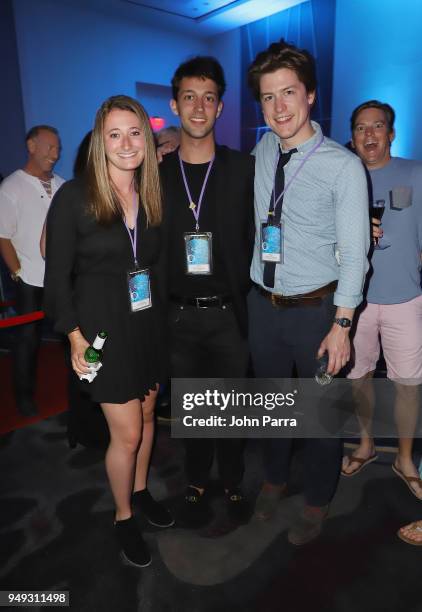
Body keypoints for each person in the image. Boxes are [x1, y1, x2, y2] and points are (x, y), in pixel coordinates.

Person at [247, 39, 370, 544]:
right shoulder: (262, 149)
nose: (279, 108)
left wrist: (342, 326)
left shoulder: (342, 166)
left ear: (311, 95)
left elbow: (356, 252)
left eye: (289, 93)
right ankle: (275, 480)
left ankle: (318, 500)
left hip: (317, 312)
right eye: (269, 97)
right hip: (263, 307)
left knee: (321, 415)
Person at [44, 95, 173, 568]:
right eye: (114, 134)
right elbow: (57, 276)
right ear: (100, 140)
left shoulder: (152, 196)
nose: (125, 143)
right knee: (127, 434)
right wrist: (73, 336)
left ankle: (140, 494)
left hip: (146, 327)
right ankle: (123, 517)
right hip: (100, 335)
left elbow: (156, 267)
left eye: (134, 132)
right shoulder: (75, 196)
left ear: (147, 138)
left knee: (147, 419)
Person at [159, 56, 254, 528]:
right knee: (192, 409)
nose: (199, 107)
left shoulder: (244, 170)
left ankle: (234, 479)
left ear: (220, 107)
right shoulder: (154, 176)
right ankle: (196, 479)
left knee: (232, 410)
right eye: (190, 97)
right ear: (175, 104)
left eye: (209, 97)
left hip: (229, 315)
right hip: (176, 317)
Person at [342, 101, 422, 500]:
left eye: (377, 127)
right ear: (352, 135)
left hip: (406, 299)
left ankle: (405, 458)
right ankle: (366, 443)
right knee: (358, 378)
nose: (369, 134)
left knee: (408, 384)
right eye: (360, 127)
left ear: (391, 133)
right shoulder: (343, 176)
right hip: (354, 301)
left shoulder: (415, 172)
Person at [0, 126, 64, 417]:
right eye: (49, 147)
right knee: (27, 341)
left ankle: (81, 391)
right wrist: (16, 271)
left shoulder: (63, 185)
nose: (55, 154)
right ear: (31, 146)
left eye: (58, 148)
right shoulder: (11, 187)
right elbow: (3, 235)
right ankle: (24, 397)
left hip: (60, 277)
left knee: (70, 337)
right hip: (28, 278)